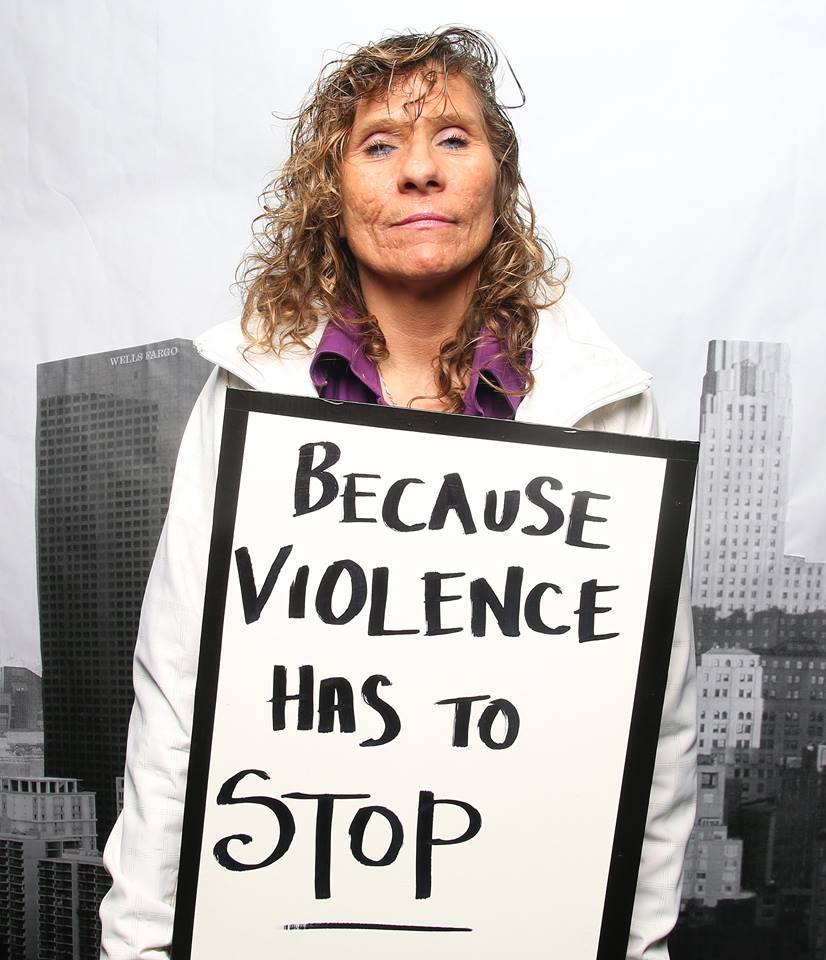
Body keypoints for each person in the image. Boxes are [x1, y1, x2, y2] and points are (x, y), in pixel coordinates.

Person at [99, 27, 696, 960]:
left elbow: (651, 726)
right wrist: (135, 948)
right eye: (380, 144)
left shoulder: (604, 403)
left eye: (453, 138)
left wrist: (641, 949)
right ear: (333, 195)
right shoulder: (247, 394)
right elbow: (177, 696)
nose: (420, 170)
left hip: (520, 920)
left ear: (499, 177)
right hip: (292, 911)